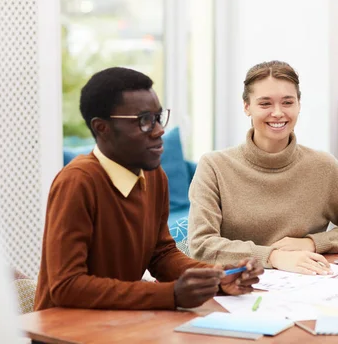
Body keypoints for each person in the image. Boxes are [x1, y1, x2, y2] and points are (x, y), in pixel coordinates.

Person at [34, 67, 263, 311]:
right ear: (102, 128)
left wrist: (216, 276)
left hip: (119, 323)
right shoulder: (77, 182)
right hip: (64, 330)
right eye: (144, 121)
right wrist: (169, 294)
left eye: (158, 117)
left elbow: (161, 254)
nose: (159, 130)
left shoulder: (154, 176)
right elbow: (66, 286)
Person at [188, 60, 338, 275]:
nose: (278, 113)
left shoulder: (323, 166)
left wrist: (313, 243)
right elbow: (201, 245)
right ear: (247, 107)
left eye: (287, 102)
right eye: (265, 104)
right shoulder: (214, 166)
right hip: (238, 287)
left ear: (299, 104)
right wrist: (272, 256)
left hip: (305, 283)